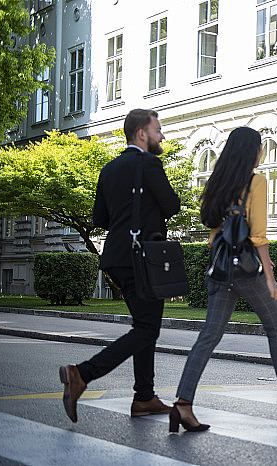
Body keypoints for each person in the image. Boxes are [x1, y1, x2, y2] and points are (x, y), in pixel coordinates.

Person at [170, 127, 277, 432]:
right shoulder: (256, 182)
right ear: (252, 152)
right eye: (260, 148)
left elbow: (216, 231)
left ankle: (183, 404)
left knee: (209, 336)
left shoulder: (219, 183)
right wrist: (269, 277)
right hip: (247, 271)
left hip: (220, 267)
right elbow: (258, 235)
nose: (262, 153)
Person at [59, 109, 181, 422]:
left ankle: (144, 397)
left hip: (116, 256)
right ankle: (82, 374)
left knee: (144, 325)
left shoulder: (109, 169)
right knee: (147, 328)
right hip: (141, 258)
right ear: (142, 133)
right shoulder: (149, 164)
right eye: (158, 129)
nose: (162, 135)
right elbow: (172, 204)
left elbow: (100, 218)